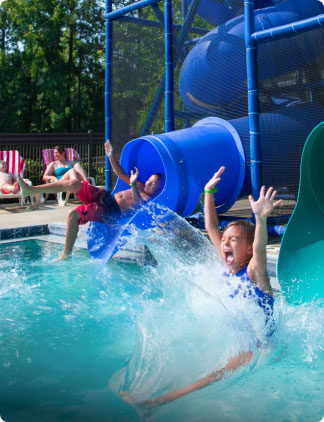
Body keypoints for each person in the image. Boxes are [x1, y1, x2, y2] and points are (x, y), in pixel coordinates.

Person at [121, 166, 282, 410]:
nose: (225, 243)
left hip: (260, 345)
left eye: (233, 240)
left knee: (223, 369)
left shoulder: (254, 273)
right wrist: (208, 192)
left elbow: (259, 250)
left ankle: (158, 403)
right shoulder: (228, 266)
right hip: (235, 330)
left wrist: (260, 218)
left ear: (247, 250)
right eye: (225, 240)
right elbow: (211, 227)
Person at [18, 140, 162, 260]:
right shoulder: (139, 185)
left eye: (153, 183)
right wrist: (111, 156)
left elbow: (137, 205)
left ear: (159, 188)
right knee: (73, 183)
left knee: (73, 215)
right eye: (149, 180)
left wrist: (132, 184)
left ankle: (66, 254)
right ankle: (30, 190)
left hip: (109, 210)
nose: (149, 183)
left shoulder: (149, 199)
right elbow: (119, 172)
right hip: (105, 196)